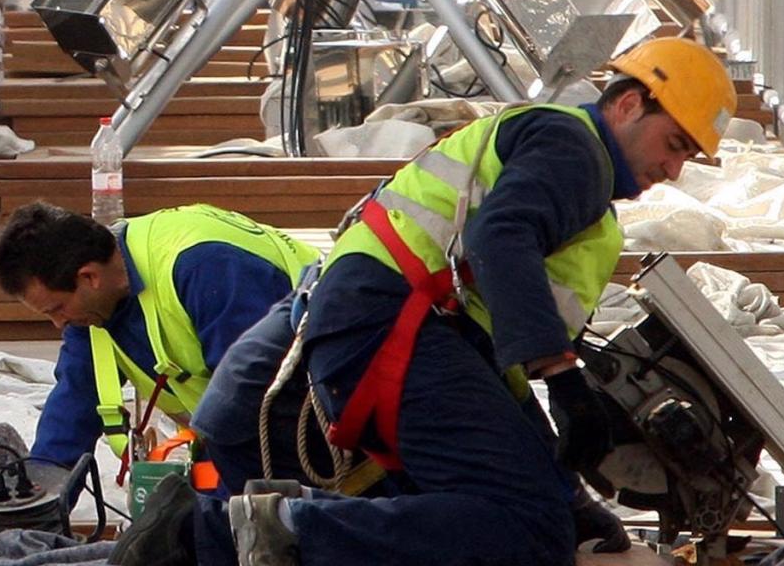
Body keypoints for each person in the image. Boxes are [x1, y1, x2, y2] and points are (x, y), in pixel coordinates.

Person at [228, 36, 737, 566]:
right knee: (526, 527)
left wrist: (569, 495)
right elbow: (501, 235)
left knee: (520, 515)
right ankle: (275, 528)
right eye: (674, 144)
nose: (673, 170)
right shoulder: (575, 150)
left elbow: (497, 360)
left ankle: (270, 523)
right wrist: (563, 379)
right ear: (629, 104)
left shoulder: (570, 164)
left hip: (391, 322)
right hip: (390, 319)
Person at [0, 203, 321, 546]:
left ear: (89, 277)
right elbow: (73, 406)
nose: (58, 324)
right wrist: (32, 513)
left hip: (326, 411)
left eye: (57, 309)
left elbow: (254, 408)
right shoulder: (95, 306)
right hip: (255, 425)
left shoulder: (206, 268)